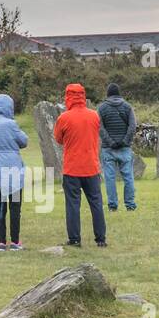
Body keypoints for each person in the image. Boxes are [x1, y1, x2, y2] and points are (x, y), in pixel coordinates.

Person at [53, 83, 107, 248]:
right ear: (83, 96)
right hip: (91, 167)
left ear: (68, 97)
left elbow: (58, 139)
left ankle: (75, 239)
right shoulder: (94, 116)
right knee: (96, 203)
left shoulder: (64, 118)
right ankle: (101, 239)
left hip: (72, 168)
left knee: (73, 204)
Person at [0, 93, 27, 251]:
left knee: (0, 206)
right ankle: (15, 242)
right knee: (15, 206)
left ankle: (1, 242)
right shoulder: (11, 124)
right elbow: (24, 141)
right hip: (12, 168)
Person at [97, 82, 137, 212]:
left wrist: (110, 141)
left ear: (108, 94)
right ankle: (130, 204)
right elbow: (132, 127)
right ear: (119, 93)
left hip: (108, 148)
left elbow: (100, 128)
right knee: (128, 177)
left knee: (109, 178)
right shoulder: (127, 107)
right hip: (125, 148)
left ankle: (112, 206)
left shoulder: (102, 108)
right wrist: (125, 141)